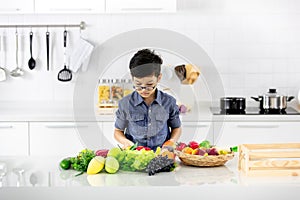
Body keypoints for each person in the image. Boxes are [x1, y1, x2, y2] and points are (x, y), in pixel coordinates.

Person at [114, 49, 182, 150]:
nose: (144, 89)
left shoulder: (169, 102)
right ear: (132, 78)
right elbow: (118, 131)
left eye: (149, 84)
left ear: (159, 78)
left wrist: (171, 141)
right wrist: (126, 143)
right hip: (135, 156)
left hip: (161, 155)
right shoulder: (125, 103)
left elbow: (176, 128)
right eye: (138, 84)